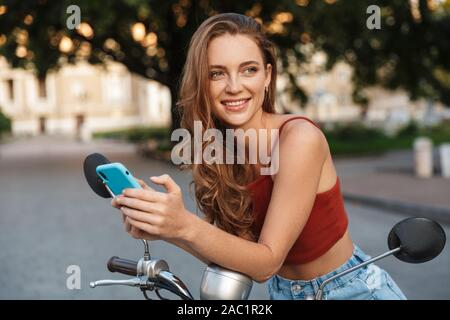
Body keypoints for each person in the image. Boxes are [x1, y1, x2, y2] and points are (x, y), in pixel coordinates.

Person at [111, 13, 406, 300]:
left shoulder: (299, 138)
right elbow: (239, 256)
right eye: (217, 73)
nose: (234, 86)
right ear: (202, 82)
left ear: (267, 75)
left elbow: (267, 263)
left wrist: (184, 225)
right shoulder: (220, 152)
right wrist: (166, 226)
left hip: (351, 291)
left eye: (249, 70)